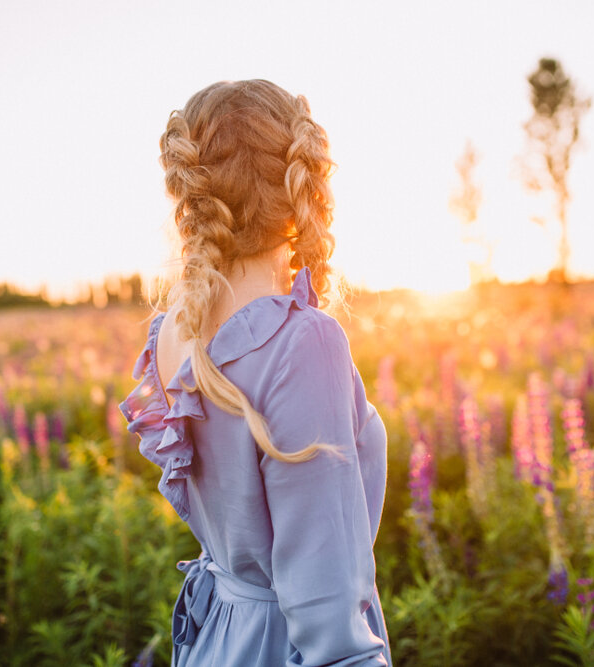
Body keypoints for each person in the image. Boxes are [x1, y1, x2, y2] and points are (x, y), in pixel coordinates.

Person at [120, 79, 392, 667]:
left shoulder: (172, 331)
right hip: (282, 648)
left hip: (217, 637)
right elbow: (332, 632)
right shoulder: (304, 343)